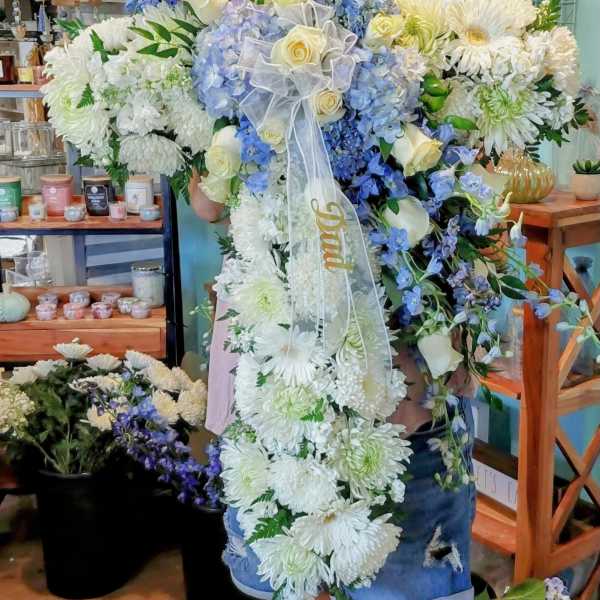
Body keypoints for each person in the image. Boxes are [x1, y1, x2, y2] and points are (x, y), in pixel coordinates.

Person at [190, 174, 477, 600]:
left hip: (400, 386)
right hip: (278, 374)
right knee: (282, 574)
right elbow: (208, 202)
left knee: (395, 574)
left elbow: (469, 203)